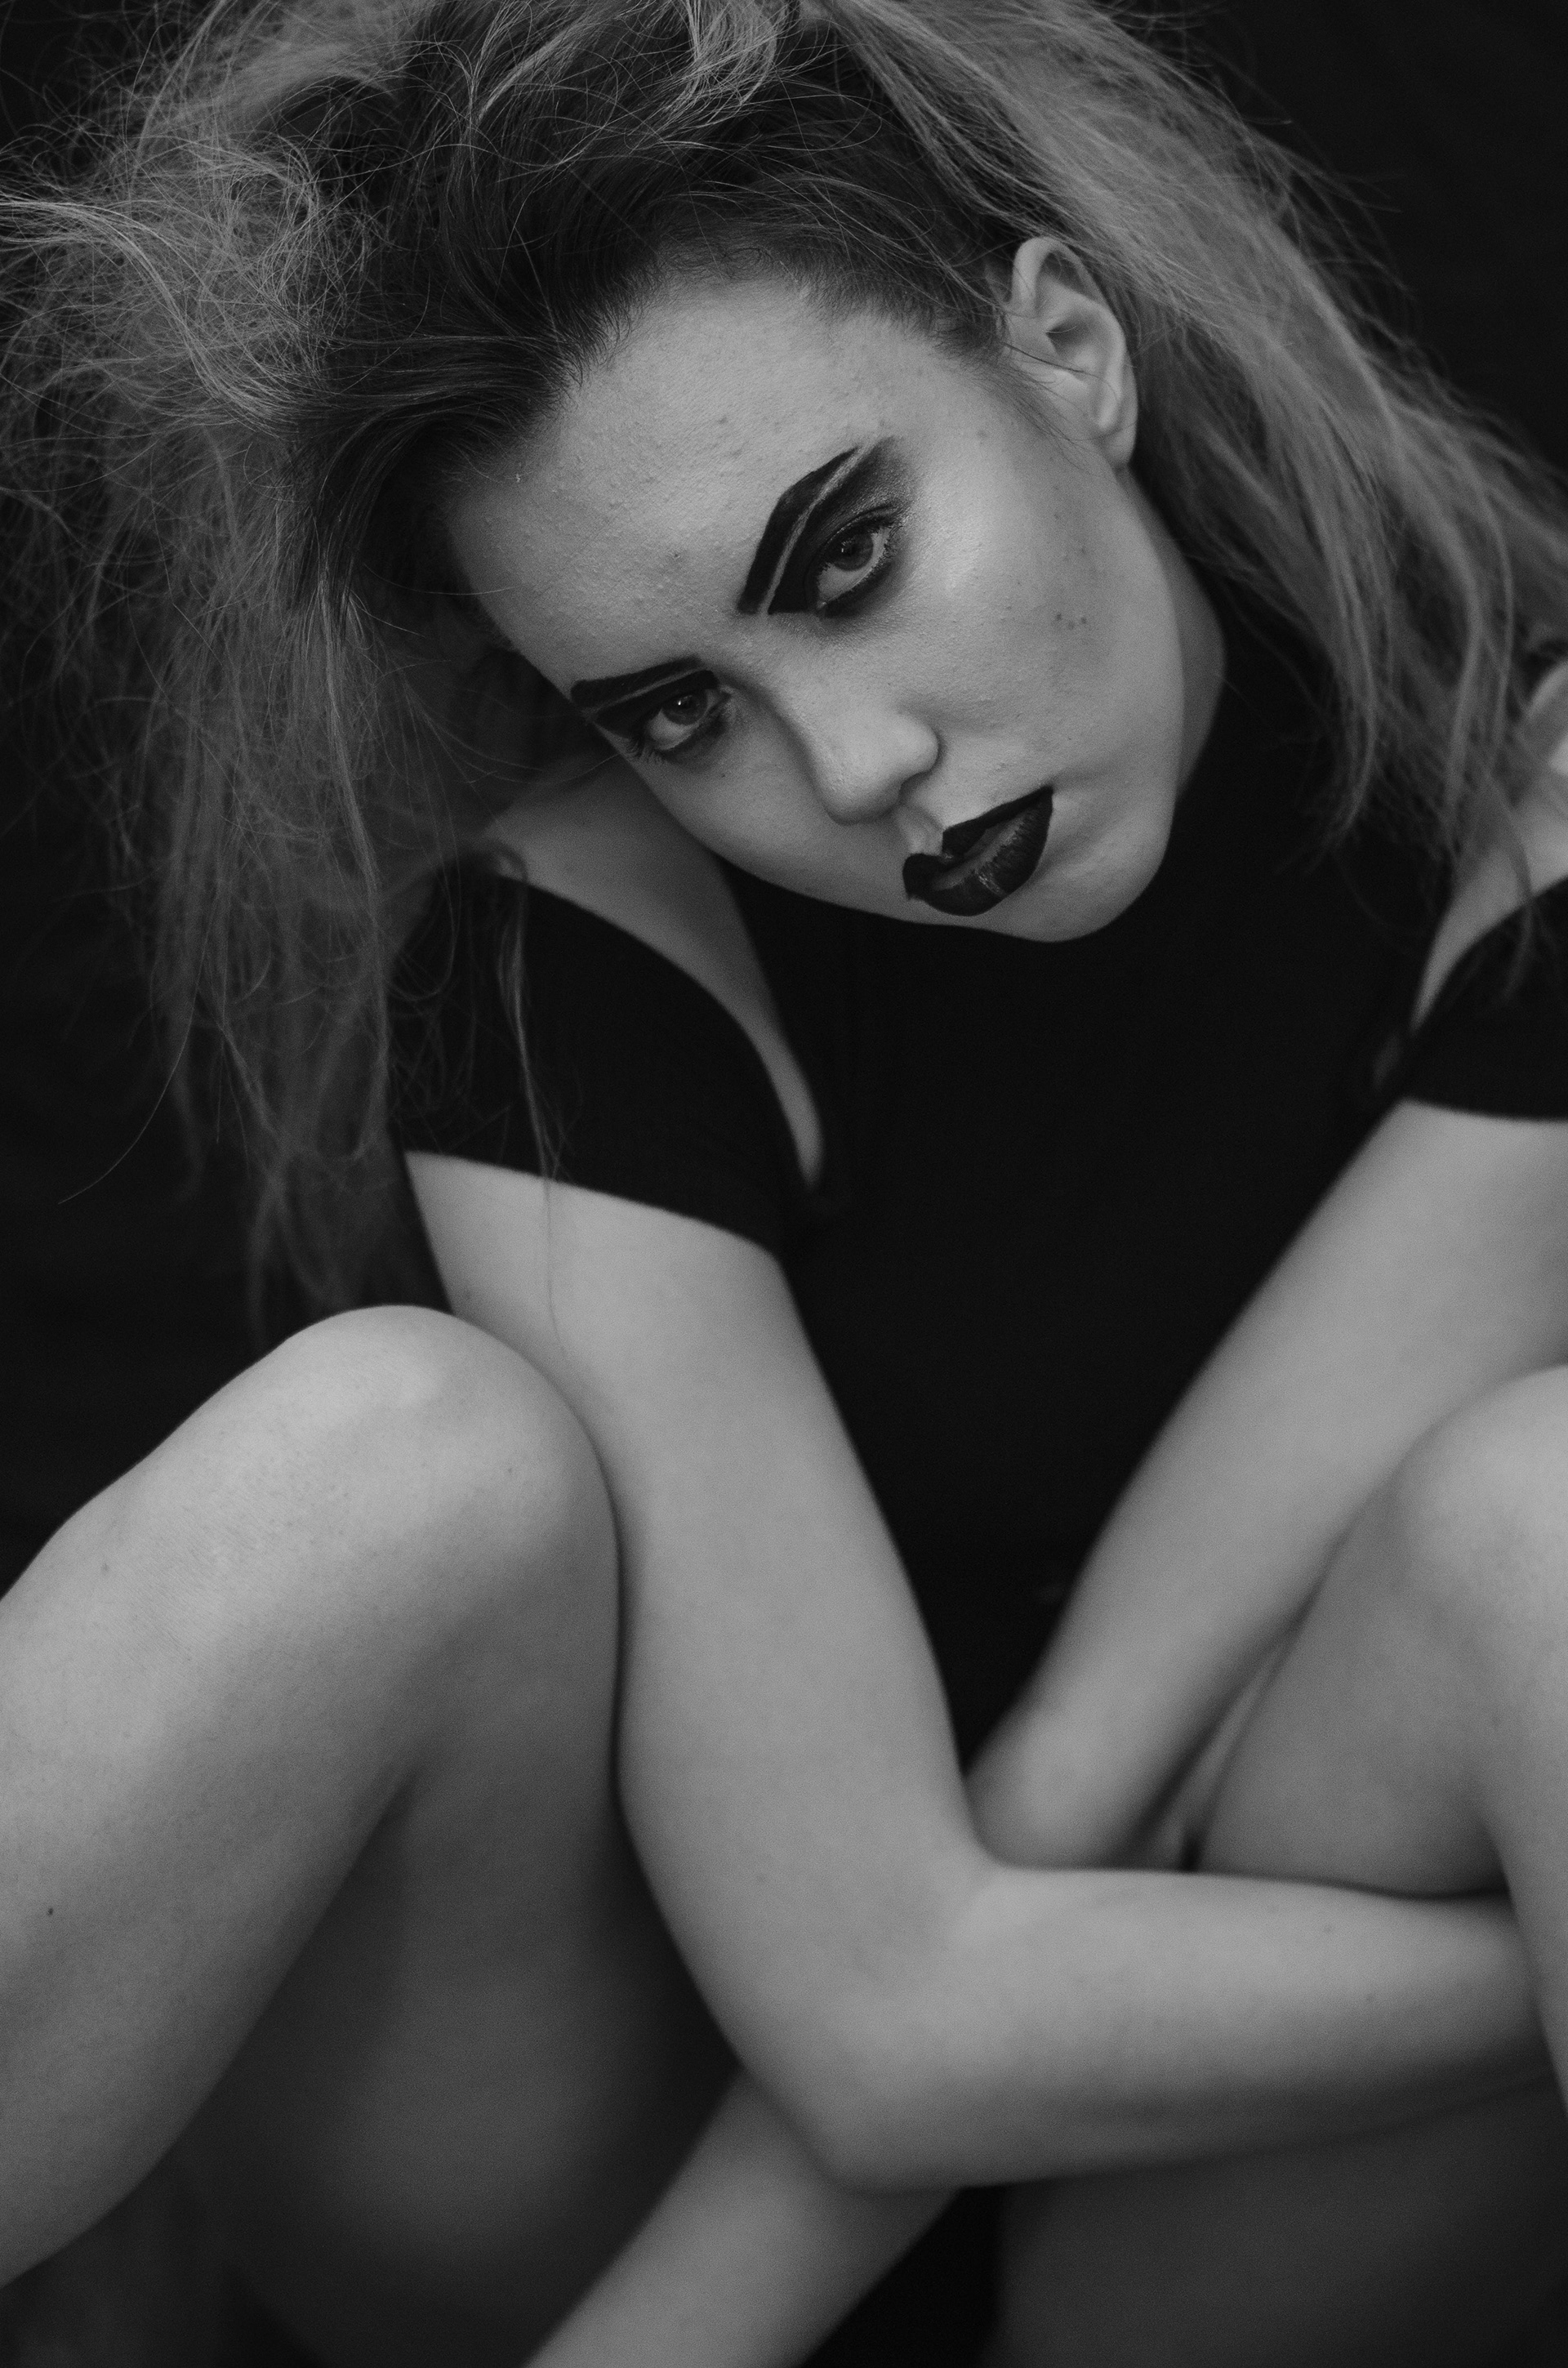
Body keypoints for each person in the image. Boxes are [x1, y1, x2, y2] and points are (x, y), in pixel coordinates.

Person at [3, 2, 1568, 2363]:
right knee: (376, 1457)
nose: (848, 766)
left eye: (846, 557)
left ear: (1068, 348)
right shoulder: (595, 950)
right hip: (647, 2149)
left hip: (1214, 2213)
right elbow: (884, 2014)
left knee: (1542, 1524)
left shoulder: (1508, 787)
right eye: (676, 709)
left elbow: (1088, 1763)